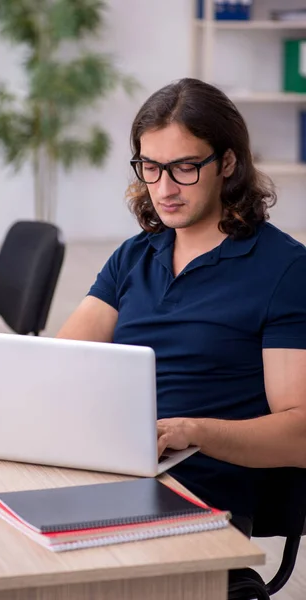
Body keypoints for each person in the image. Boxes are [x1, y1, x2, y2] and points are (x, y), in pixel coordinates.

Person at [56, 77, 306, 536]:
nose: (164, 188)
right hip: (115, 472)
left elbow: (301, 434)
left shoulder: (286, 270)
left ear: (227, 162)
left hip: (201, 496)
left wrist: (195, 432)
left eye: (184, 168)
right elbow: (58, 364)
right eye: (149, 167)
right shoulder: (135, 255)